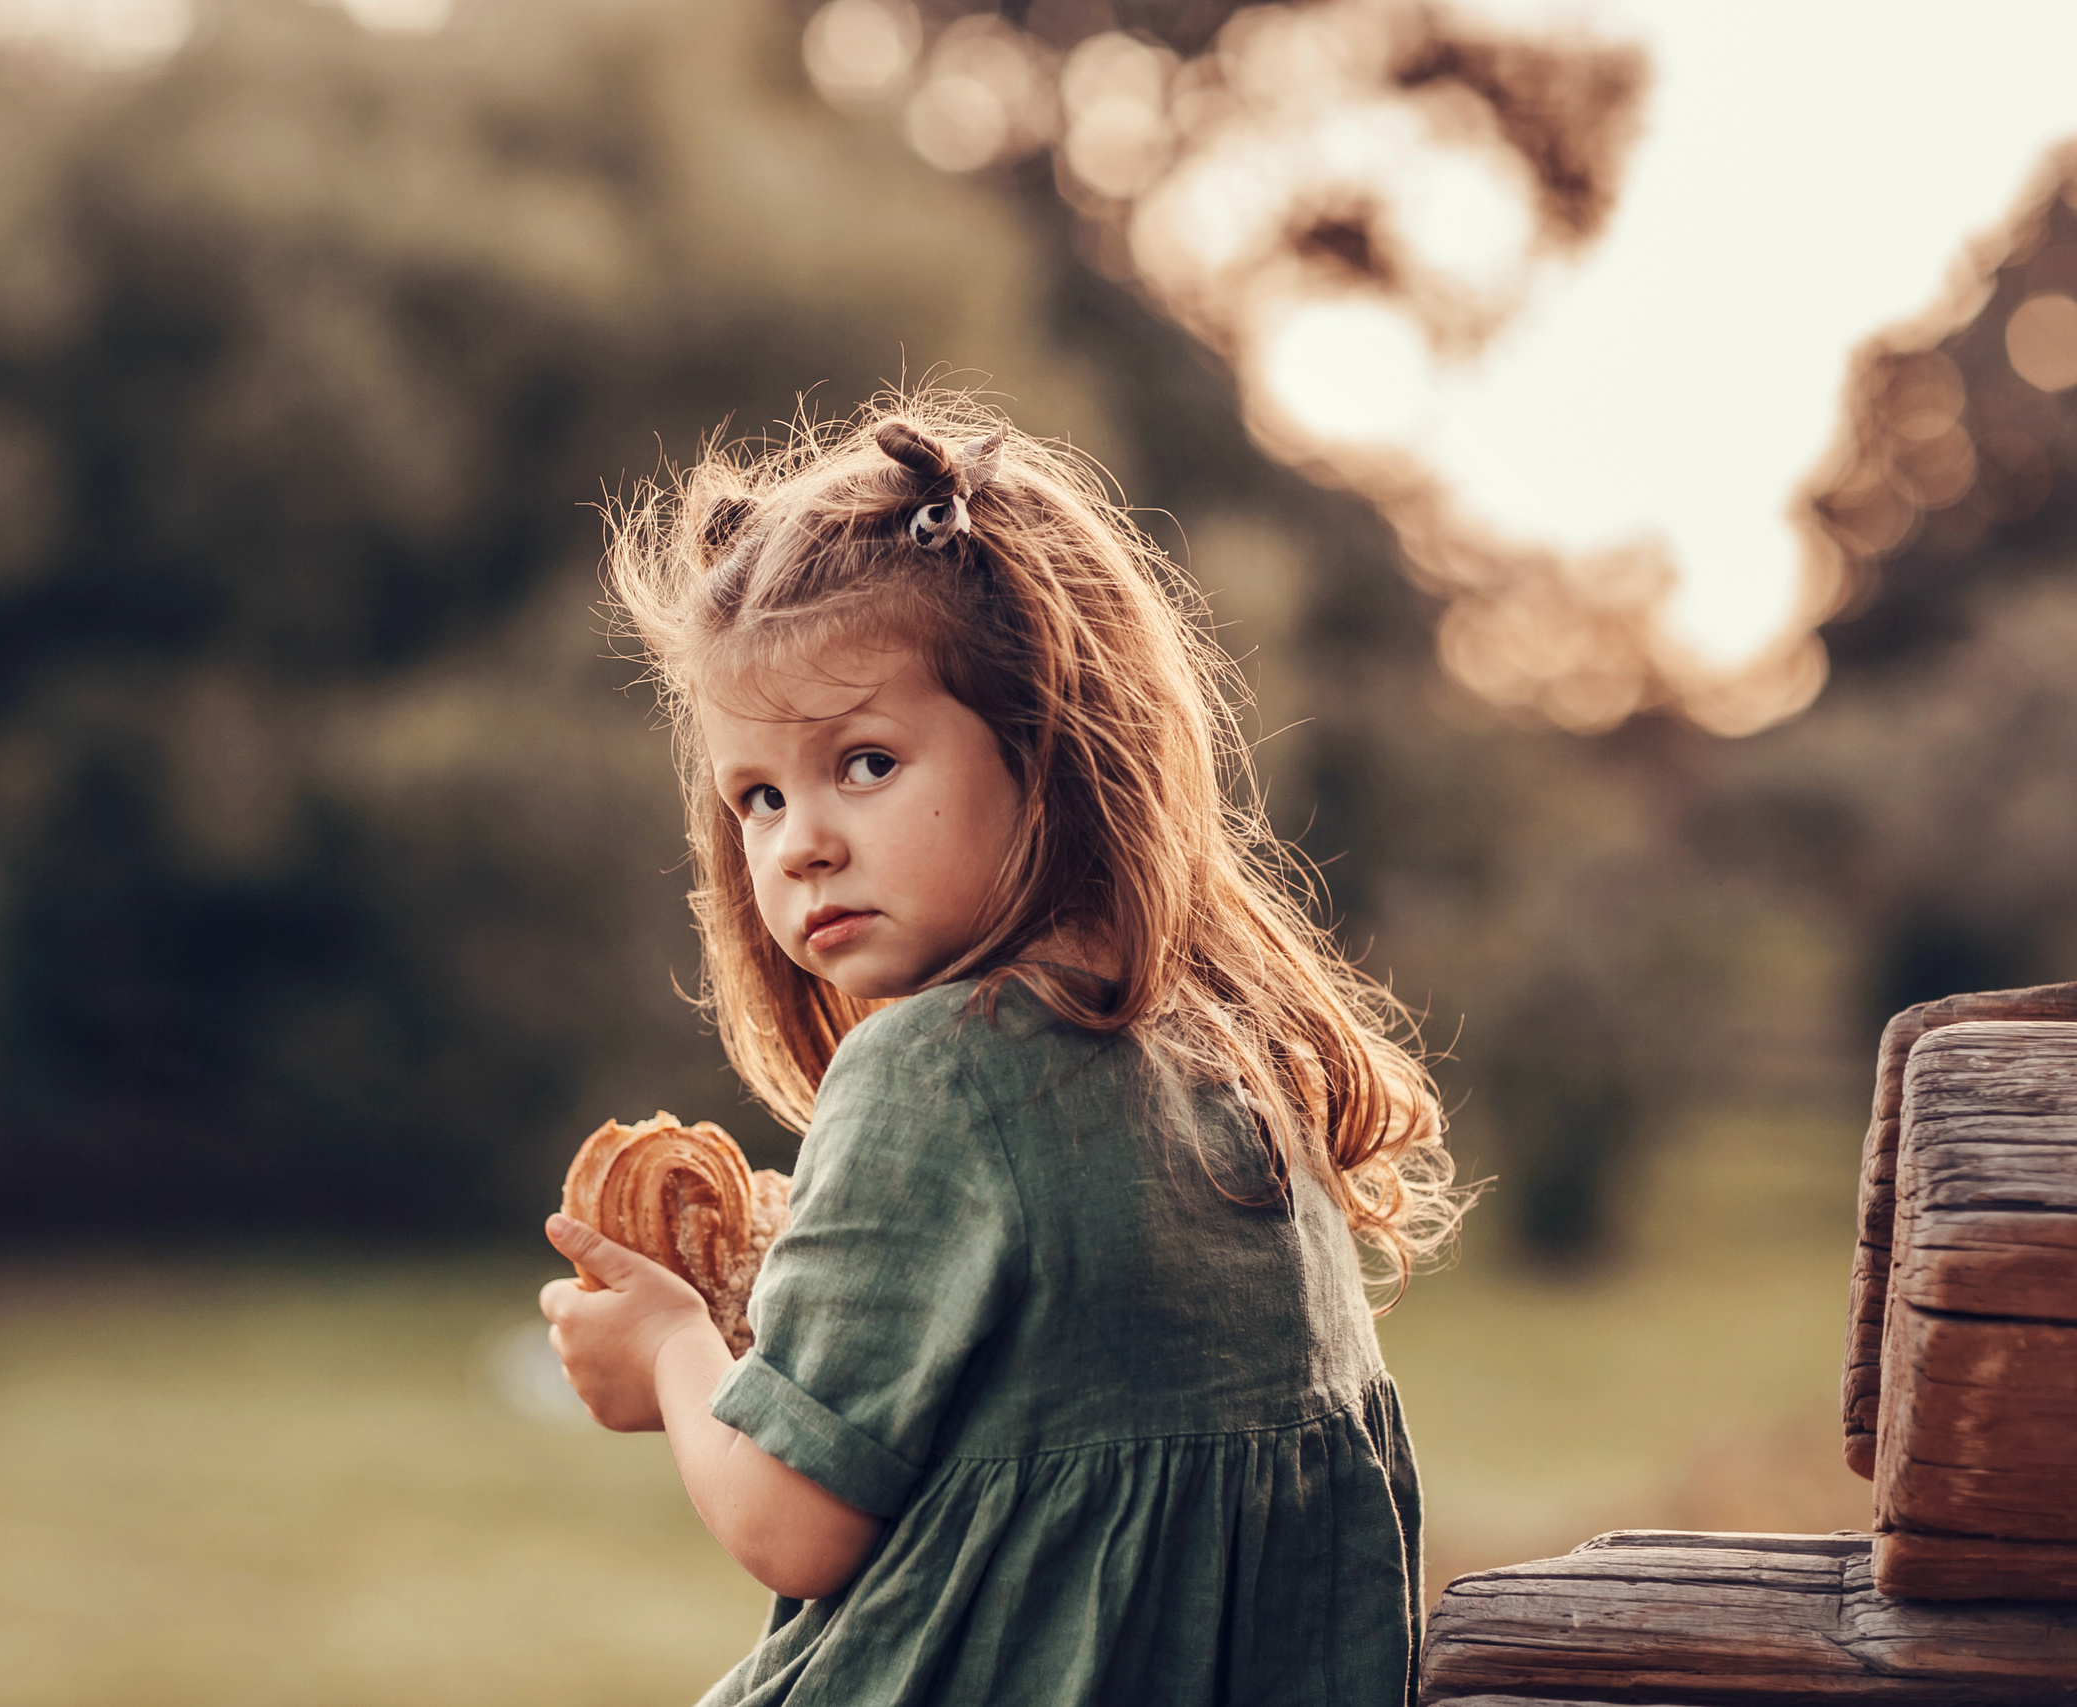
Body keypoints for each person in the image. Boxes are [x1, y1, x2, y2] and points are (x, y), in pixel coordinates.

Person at [539, 390, 1468, 1706]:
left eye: (863, 762)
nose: (797, 840)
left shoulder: (933, 1071)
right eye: (757, 796)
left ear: (1047, 746)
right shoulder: (1223, 1052)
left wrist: (676, 1354)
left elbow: (794, 1524)